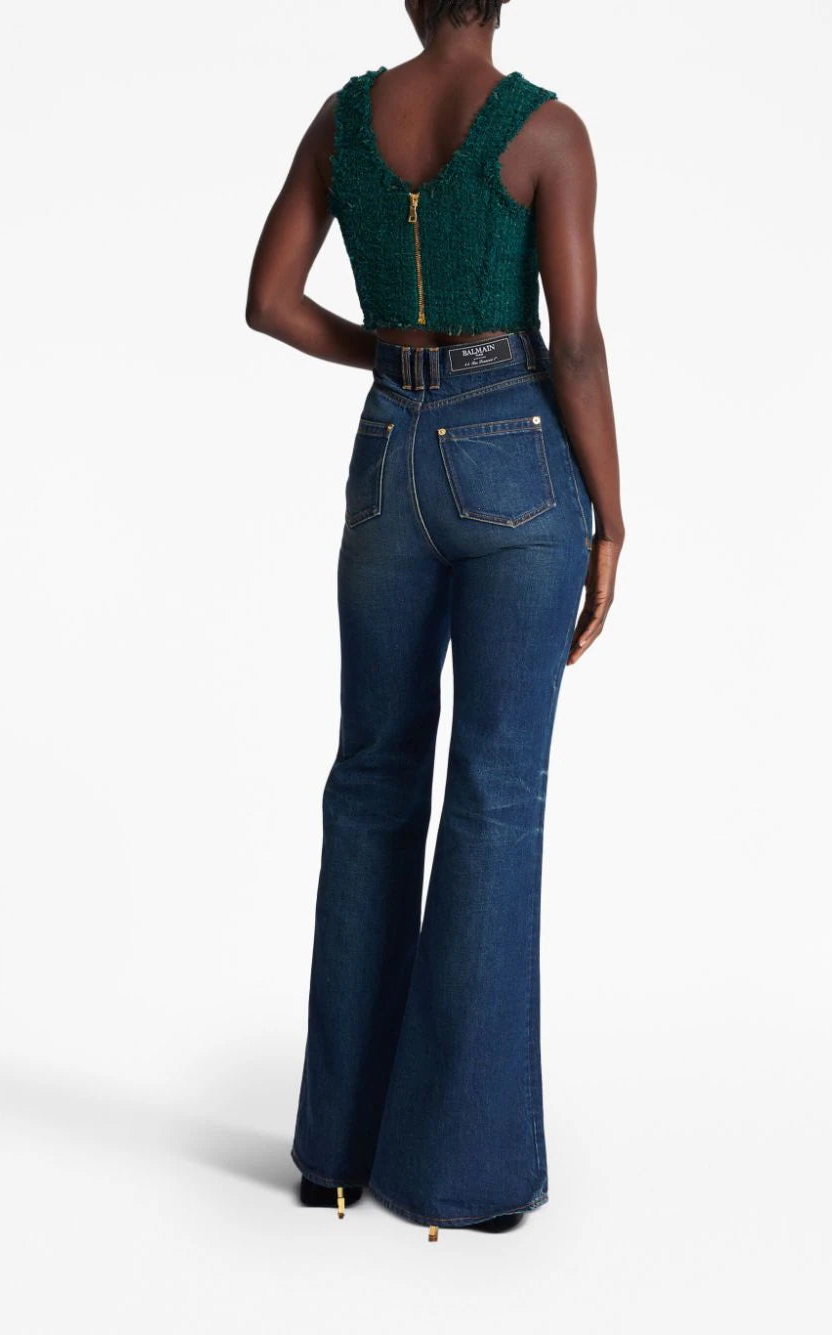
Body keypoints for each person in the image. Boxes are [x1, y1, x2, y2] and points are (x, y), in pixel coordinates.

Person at [245, 0, 624, 1240]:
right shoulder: (545, 132)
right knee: (496, 795)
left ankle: (334, 1154)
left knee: (369, 781)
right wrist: (611, 518)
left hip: (386, 462)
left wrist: (390, 359)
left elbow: (270, 301)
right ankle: (462, 1173)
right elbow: (575, 347)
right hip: (516, 455)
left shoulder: (343, 120)